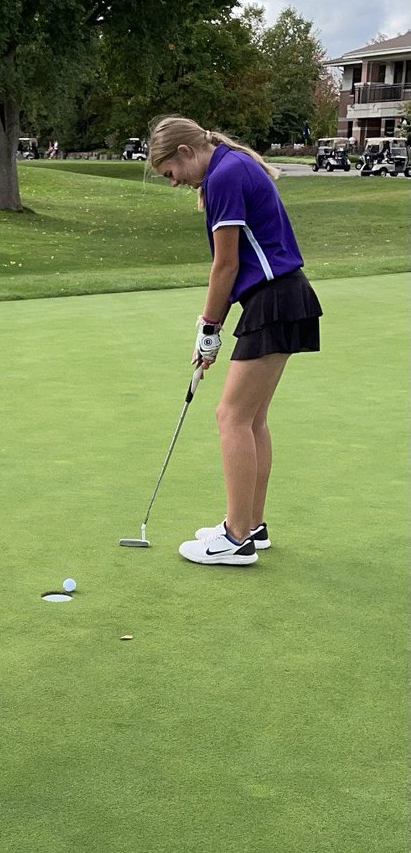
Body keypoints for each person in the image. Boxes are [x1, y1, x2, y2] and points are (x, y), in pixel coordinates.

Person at [148, 116, 322, 567]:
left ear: (185, 153)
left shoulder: (224, 175)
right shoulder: (232, 164)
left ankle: (236, 536)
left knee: (231, 417)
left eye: (171, 173)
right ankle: (252, 525)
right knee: (251, 418)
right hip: (282, 297)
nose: (173, 183)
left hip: (274, 300)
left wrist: (209, 327)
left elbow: (225, 266)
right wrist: (214, 327)